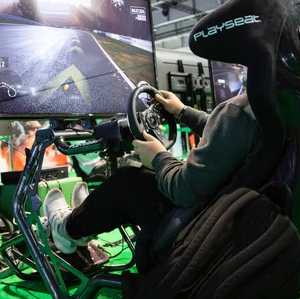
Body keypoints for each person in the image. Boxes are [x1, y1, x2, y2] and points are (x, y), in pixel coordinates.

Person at [42, 90, 260, 255]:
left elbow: (185, 190)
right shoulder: (266, 104)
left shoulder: (240, 110)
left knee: (126, 182)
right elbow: (226, 132)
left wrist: (159, 157)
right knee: (145, 173)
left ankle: (66, 230)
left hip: (205, 223)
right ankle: (86, 215)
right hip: (242, 215)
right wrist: (183, 112)